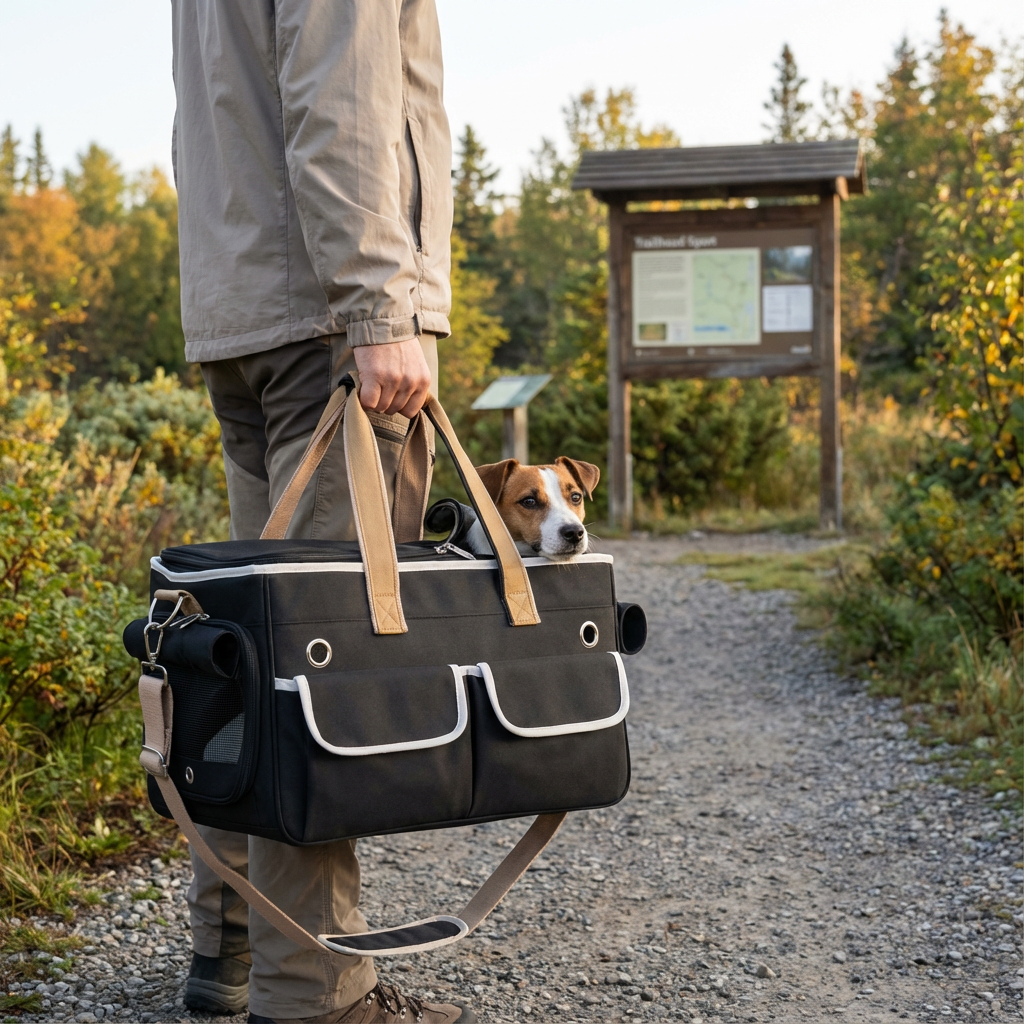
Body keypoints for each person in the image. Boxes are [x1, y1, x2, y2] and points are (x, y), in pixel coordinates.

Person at [169, 3, 474, 1021]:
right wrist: (379, 305)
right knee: (317, 670)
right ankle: (317, 996)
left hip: (245, 306)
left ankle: (233, 948)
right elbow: (336, 100)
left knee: (247, 659)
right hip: (329, 322)